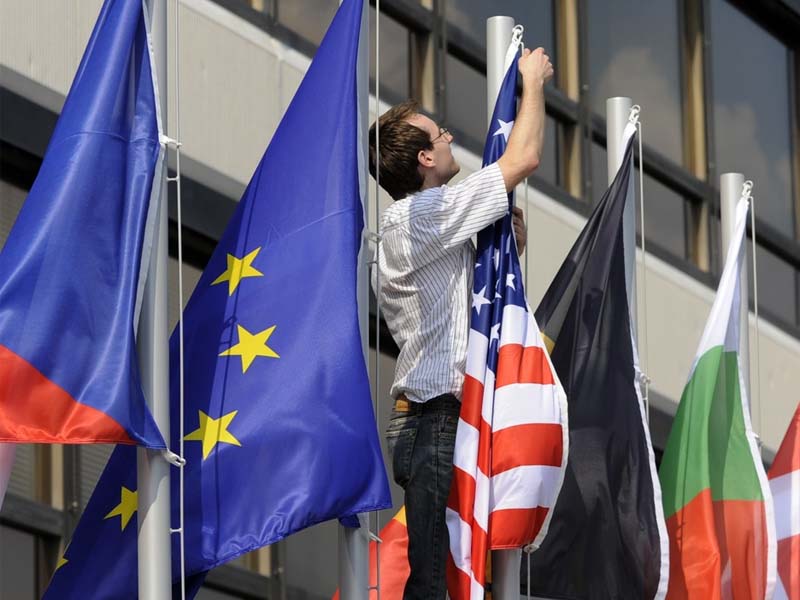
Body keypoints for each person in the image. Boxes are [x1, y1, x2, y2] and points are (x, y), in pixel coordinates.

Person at [368, 47, 554, 599]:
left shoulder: (430, 224)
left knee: (456, 574)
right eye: (440, 133)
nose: (449, 138)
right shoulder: (416, 215)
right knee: (434, 581)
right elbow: (522, 159)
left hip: (448, 417)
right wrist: (532, 83)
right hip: (437, 418)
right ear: (425, 158)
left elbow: (467, 298)